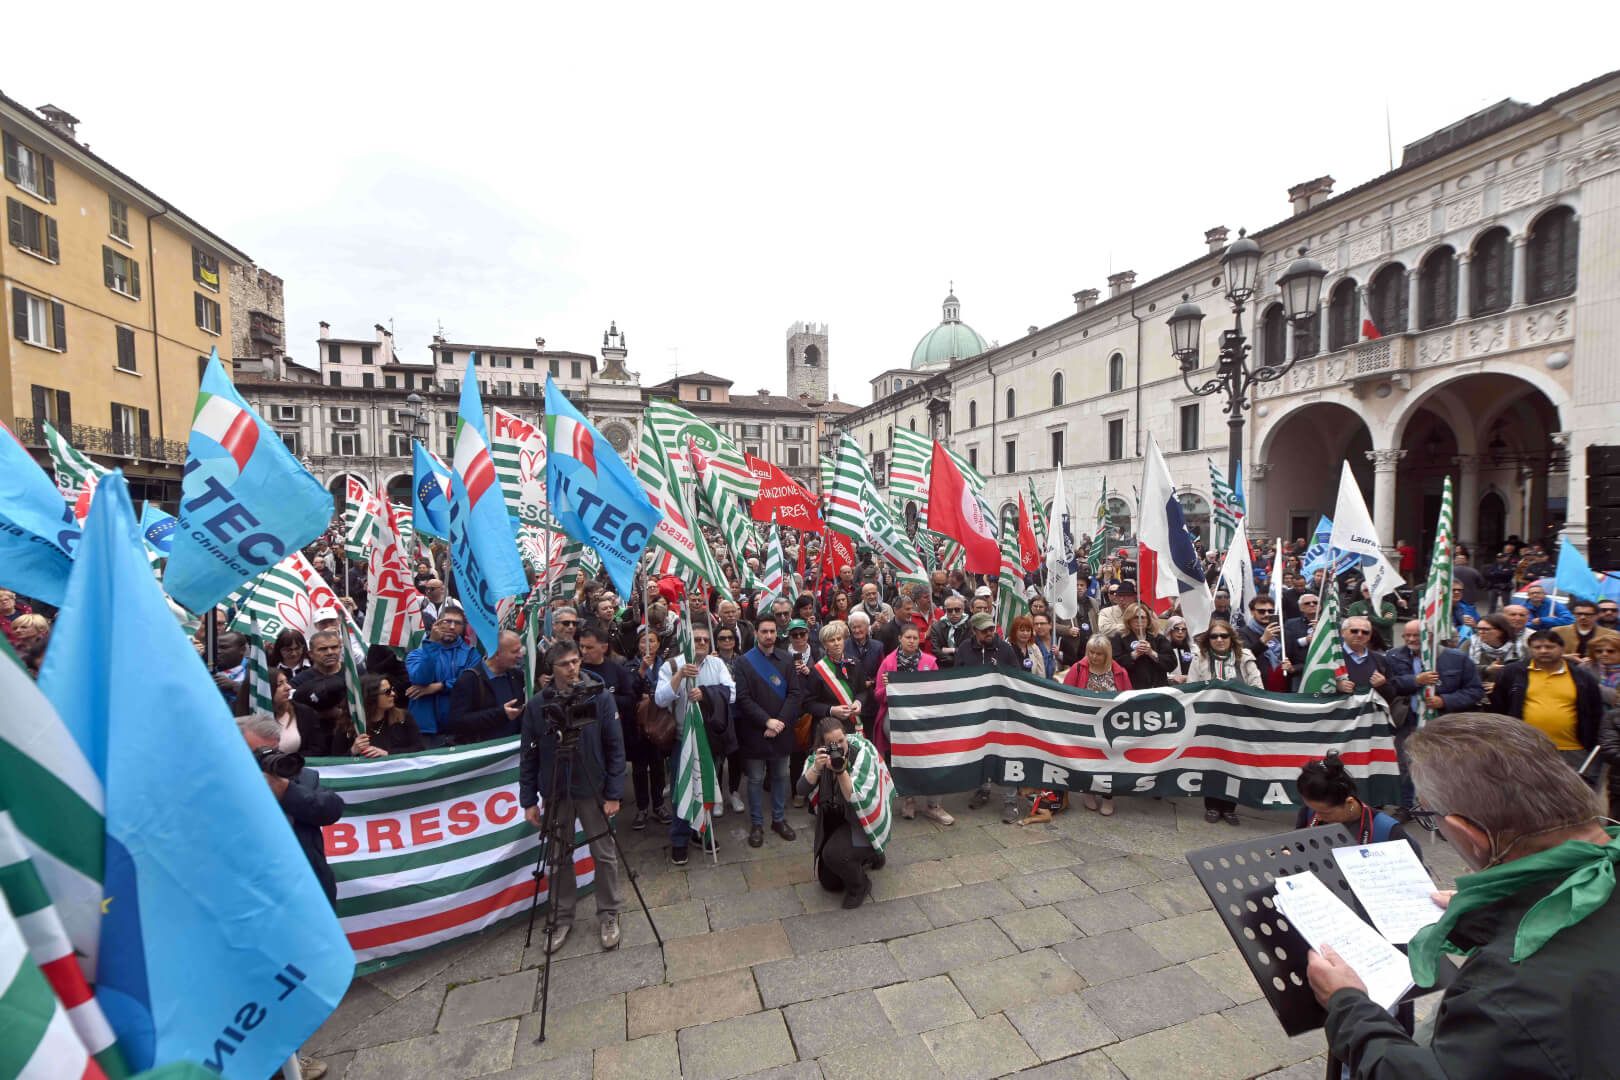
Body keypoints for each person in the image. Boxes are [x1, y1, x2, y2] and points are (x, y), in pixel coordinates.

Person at [1307, 712, 1620, 1078]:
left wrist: (1347, 1003)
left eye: (1429, 815)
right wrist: (1491, 911)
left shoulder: (1500, 992)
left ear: (1469, 834)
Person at [237, 711, 343, 1080]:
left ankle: (292, 1057)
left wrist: (284, 790)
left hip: (305, 899)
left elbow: (330, 808)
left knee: (298, 985)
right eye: (255, 754)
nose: (265, 761)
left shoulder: (299, 777)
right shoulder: (221, 789)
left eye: (270, 752)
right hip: (254, 910)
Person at [518, 639, 626, 953]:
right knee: (557, 858)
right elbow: (529, 753)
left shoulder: (599, 696)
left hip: (593, 788)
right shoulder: (538, 705)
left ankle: (609, 914)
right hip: (556, 790)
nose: (572, 668)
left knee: (604, 854)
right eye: (565, 664)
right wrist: (528, 799)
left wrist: (614, 793)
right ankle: (561, 917)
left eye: (576, 661)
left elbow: (615, 747)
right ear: (551, 668)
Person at [654, 623, 736, 865]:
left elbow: (732, 693)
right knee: (681, 790)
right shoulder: (671, 665)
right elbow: (659, 699)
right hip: (682, 738)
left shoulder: (717, 664)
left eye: (705, 640)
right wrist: (680, 676)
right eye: (696, 639)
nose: (701, 643)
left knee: (706, 785)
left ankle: (701, 831)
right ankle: (679, 839)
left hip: (709, 737)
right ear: (687, 642)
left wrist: (706, 694)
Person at [1385, 620, 1485, 813]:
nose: (1411, 639)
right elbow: (1390, 685)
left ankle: (1446, 809)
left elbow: (1475, 691)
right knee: (1405, 765)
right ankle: (1405, 807)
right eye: (1407, 635)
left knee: (1444, 765)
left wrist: (1445, 700)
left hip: (1443, 722)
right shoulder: (1394, 656)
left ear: (1431, 635)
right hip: (1409, 720)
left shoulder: (1457, 658)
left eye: (1417, 635)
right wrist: (1415, 680)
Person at [796, 716, 889, 909]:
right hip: (837, 820)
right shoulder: (818, 759)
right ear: (822, 745)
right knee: (829, 883)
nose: (838, 747)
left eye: (841, 741)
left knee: (834, 855)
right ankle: (868, 857)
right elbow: (801, 789)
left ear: (846, 736)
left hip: (861, 822)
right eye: (831, 744)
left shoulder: (861, 756)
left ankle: (860, 885)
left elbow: (855, 797)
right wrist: (816, 768)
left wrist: (840, 770)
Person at [1489, 629, 1603, 782]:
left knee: (1570, 793)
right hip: (1524, 748)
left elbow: (1595, 712)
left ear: (1562, 649)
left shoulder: (1582, 677)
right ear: (1530, 649)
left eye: (1550, 647)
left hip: (1572, 749)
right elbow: (1498, 708)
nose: (1543, 651)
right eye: (1537, 647)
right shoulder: (1512, 673)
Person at [732, 613, 804, 848]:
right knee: (755, 779)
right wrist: (767, 721)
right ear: (756, 633)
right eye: (764, 631)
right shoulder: (744, 662)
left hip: (782, 730)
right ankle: (757, 823)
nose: (769, 635)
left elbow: (795, 694)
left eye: (772, 631)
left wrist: (779, 722)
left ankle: (778, 819)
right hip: (755, 731)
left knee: (780, 776)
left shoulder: (786, 659)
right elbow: (743, 698)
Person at [874, 622, 953, 825]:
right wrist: (888, 688)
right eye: (908, 637)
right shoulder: (888, 662)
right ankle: (908, 799)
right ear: (900, 638)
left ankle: (934, 805)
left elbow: (938, 692)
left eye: (915, 638)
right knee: (904, 757)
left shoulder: (930, 662)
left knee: (932, 758)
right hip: (896, 716)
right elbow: (878, 695)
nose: (911, 641)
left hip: (924, 716)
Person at [1188, 620, 1262, 824]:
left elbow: (1258, 688)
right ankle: (1212, 806)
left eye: (1224, 635)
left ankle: (1229, 808)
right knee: (1212, 764)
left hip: (1238, 721)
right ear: (1208, 640)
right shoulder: (1200, 659)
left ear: (1231, 638)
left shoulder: (1245, 658)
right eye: (1214, 636)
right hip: (1210, 721)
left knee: (1235, 764)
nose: (1219, 640)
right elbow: (1191, 689)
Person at [1294, 752, 1420, 856]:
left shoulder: (1386, 830)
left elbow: (1417, 874)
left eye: (1325, 813)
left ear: (1349, 802)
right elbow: (1298, 847)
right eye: (1312, 808)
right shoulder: (1309, 811)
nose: (1318, 816)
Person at [1063, 636, 1131, 815]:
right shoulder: (1078, 668)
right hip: (1086, 724)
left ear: (1107, 654)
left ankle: (1108, 797)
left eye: (1099, 654)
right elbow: (1066, 694)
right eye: (1091, 652)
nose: (1094, 657)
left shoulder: (1119, 672)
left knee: (1110, 763)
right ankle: (1089, 792)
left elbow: (1129, 698)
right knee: (1089, 760)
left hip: (1111, 726)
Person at [405, 605, 480, 748]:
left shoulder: (471, 654)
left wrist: (439, 686)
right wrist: (432, 645)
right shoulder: (417, 654)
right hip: (425, 731)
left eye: (457, 623)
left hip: (458, 729)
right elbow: (420, 679)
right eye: (447, 621)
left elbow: (470, 683)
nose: (452, 627)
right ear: (437, 624)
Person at [625, 628, 671, 831]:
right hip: (639, 725)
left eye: (652, 641)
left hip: (660, 722)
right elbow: (628, 691)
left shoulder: (666, 665)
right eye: (644, 641)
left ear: (658, 644)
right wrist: (642, 671)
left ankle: (659, 805)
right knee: (639, 768)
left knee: (658, 766)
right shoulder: (630, 666)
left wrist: (653, 696)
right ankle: (642, 807)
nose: (648, 645)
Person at [449, 629, 527, 744]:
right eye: (515, 652)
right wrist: (500, 714)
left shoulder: (517, 676)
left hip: (513, 749)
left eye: (520, 650)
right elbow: (458, 722)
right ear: (496, 654)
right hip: (485, 750)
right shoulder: (469, 680)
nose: (520, 655)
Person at [348, 674, 426, 756]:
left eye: (392, 689)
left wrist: (388, 754)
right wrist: (352, 751)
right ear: (371, 696)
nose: (393, 694)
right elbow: (339, 757)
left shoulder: (403, 717)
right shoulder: (352, 724)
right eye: (387, 691)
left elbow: (419, 748)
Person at [1110, 604, 1175, 689]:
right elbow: (1113, 664)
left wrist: (1152, 653)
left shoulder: (1158, 638)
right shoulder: (1119, 638)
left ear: (1148, 620)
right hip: (1131, 688)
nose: (1139, 620)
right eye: (1135, 617)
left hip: (1158, 687)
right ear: (1128, 619)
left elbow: (1172, 663)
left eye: (1143, 617)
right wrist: (1134, 655)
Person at [1335, 616, 1392, 700]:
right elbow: (1316, 687)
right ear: (1343, 632)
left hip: (1370, 707)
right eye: (1354, 631)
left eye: (1365, 632)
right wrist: (1335, 686)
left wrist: (1382, 685)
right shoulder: (1332, 658)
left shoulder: (1380, 660)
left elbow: (1392, 695)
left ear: (1370, 636)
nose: (1359, 635)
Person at [1466, 611, 1522, 697]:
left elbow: (1524, 677)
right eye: (1479, 629)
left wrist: (1500, 685)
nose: (1481, 632)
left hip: (1507, 697)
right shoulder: (1470, 645)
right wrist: (1486, 669)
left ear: (1501, 630)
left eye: (1486, 629)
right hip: (1475, 694)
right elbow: (1460, 671)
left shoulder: (1519, 649)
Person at [1555, 599, 1620, 662]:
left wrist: (1594, 658)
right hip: (1565, 666)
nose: (1583, 617)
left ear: (1596, 616)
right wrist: (1565, 656)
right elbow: (1550, 651)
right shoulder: (1558, 631)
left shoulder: (1611, 634)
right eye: (1579, 614)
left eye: (1587, 614)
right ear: (1574, 615)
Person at [929, 595, 972, 666]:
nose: (953, 613)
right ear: (945, 610)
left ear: (963, 609)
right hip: (944, 665)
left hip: (965, 664)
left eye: (957, 610)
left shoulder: (970, 625)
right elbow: (936, 650)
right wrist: (954, 659)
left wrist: (952, 650)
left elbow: (969, 649)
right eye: (949, 610)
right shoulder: (936, 627)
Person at [1164, 615, 1196, 684]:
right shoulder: (1163, 648)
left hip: (1191, 684)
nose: (1180, 632)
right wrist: (1172, 677)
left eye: (1183, 629)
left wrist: (1187, 677)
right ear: (1169, 630)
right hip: (1170, 685)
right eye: (1176, 628)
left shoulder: (1194, 649)